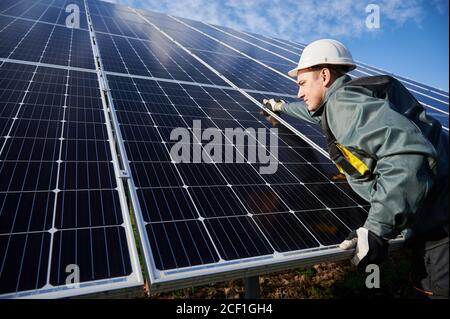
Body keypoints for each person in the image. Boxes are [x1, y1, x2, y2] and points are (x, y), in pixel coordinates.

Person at [263, 39, 449, 298]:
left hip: (442, 227)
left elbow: (407, 158)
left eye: (302, 84)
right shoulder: (342, 101)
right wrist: (281, 108)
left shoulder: (344, 106)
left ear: (325, 76)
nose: (299, 93)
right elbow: (313, 113)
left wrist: (376, 227)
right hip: (433, 216)